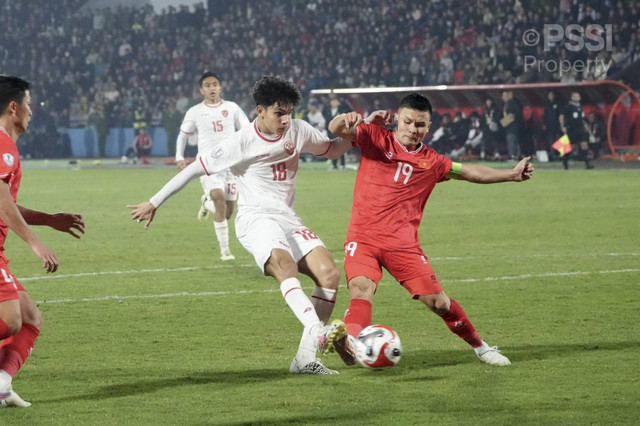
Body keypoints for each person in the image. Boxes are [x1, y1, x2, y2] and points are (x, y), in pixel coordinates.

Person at [127, 76, 355, 374]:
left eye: (289, 112)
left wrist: (360, 131)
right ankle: (317, 329)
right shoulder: (241, 141)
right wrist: (153, 202)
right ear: (260, 111)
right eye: (278, 113)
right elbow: (194, 169)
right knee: (284, 264)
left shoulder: (298, 130)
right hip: (255, 218)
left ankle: (304, 359)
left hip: (288, 218)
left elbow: (333, 149)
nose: (285, 119)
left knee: (329, 275)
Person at [328, 93, 534, 367]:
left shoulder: (434, 162)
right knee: (360, 289)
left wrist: (511, 175)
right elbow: (336, 129)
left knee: (439, 303)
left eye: (420, 125)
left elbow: (471, 172)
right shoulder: (375, 136)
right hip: (362, 238)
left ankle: (482, 348)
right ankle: (353, 344)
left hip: (403, 246)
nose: (413, 129)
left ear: (429, 127)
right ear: (398, 119)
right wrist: (352, 119)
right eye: (408, 122)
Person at [0, 75, 85, 407]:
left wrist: (49, 219)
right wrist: (36, 243)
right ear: (13, 107)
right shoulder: (3, 146)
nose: (32, 111)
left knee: (31, 319)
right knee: (10, 320)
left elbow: (7, 203)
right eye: (29, 104)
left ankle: (2, 384)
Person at [175, 72, 250, 261]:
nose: (212, 88)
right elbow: (183, 135)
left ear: (220, 88)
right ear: (202, 91)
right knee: (219, 198)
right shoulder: (195, 111)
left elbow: (247, 130)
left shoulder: (232, 108)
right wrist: (179, 157)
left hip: (232, 165)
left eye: (215, 84)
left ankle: (204, 204)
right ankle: (225, 252)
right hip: (208, 163)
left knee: (227, 212)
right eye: (207, 85)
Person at [559, 91, 594, 170]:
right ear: (572, 98)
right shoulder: (568, 106)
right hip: (571, 129)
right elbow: (561, 116)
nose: (577, 98)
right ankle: (565, 162)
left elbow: (582, 118)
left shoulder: (581, 106)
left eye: (578, 96)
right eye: (575, 96)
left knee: (584, 145)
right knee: (569, 147)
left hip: (580, 129)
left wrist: (585, 126)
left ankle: (588, 164)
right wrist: (562, 126)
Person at [323, 95, 349, 169]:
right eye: (332, 102)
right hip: (330, 131)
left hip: (340, 131)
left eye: (335, 101)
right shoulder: (327, 109)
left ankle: (343, 164)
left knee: (341, 147)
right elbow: (325, 116)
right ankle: (334, 165)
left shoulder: (342, 109)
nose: (333, 103)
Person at [500, 90, 524, 160]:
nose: (503, 97)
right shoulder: (505, 105)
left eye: (504, 96)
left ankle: (513, 156)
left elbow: (512, 116)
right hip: (508, 128)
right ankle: (514, 155)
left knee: (512, 141)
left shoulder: (512, 104)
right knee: (511, 141)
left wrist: (502, 123)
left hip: (513, 127)